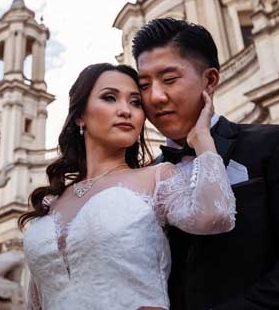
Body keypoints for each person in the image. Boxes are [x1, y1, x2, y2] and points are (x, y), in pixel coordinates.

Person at [133, 18, 279, 309]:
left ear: (210, 80)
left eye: (169, 80)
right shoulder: (144, 179)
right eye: (144, 86)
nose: (155, 97)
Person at [20, 63, 235, 309]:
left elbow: (217, 215)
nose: (126, 111)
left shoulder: (157, 178)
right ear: (80, 116)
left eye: (135, 103)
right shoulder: (51, 202)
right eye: (110, 98)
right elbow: (34, 302)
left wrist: (202, 138)